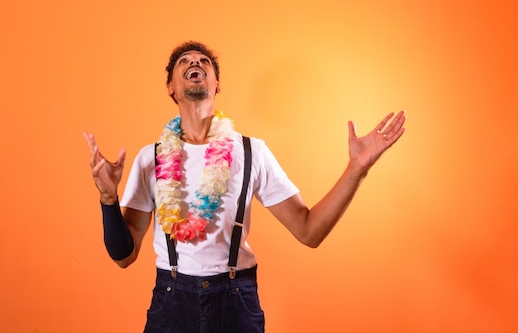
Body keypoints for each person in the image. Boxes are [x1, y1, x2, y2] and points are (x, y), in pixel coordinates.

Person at [83, 41, 406, 333]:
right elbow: (123, 257)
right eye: (184, 61)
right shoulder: (149, 158)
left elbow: (310, 232)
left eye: (204, 61)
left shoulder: (252, 151)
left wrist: (357, 169)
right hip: (171, 302)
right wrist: (108, 200)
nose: (195, 62)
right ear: (171, 86)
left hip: (235, 302)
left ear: (216, 84)